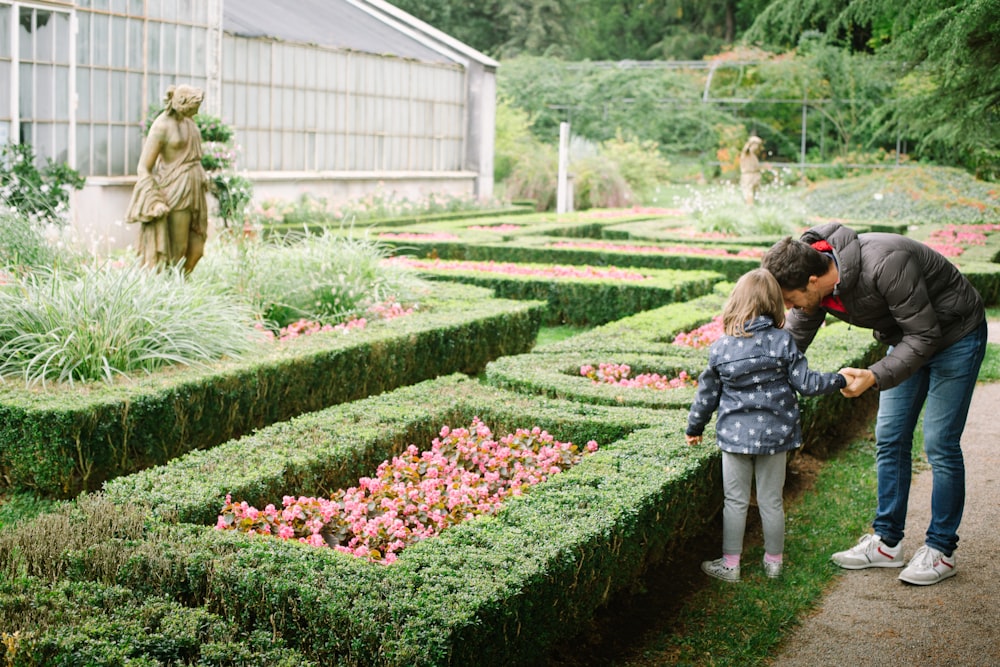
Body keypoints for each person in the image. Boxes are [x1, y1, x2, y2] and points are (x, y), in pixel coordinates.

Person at [762, 222, 987, 586]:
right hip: (907, 337)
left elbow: (926, 334)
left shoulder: (886, 262)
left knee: (939, 443)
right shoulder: (815, 282)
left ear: (812, 281)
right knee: (890, 436)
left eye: (789, 298)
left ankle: (941, 550)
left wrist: (874, 375)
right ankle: (886, 543)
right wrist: (754, 380)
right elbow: (793, 340)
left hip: (956, 336)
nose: (788, 307)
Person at [686, 268, 850, 582]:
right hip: (776, 436)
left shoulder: (722, 348)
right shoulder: (783, 341)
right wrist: (840, 379)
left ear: (736, 303)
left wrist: (695, 427)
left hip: (734, 438)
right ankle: (773, 562)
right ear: (775, 303)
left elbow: (707, 395)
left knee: (734, 501)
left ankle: (730, 565)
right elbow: (807, 383)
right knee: (771, 500)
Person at [126, 84, 209, 273]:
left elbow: (194, 157)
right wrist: (153, 200)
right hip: (175, 191)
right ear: (181, 103)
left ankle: (182, 284)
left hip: (196, 191)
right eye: (194, 107)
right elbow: (143, 167)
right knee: (178, 250)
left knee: (197, 249)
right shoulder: (161, 126)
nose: (197, 112)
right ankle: (176, 290)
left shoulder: (190, 123)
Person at [739, 135, 764, 205]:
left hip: (755, 175)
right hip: (748, 175)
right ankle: (750, 208)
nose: (756, 147)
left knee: (756, 194)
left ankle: (755, 207)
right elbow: (746, 149)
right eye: (754, 144)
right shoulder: (746, 153)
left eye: (757, 145)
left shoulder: (754, 155)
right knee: (749, 193)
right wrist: (752, 141)